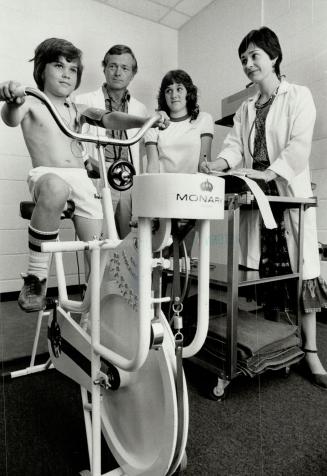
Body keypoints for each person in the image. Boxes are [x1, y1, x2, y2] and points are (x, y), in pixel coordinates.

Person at [0, 38, 169, 313]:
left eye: (73, 68)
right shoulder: (31, 101)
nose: (66, 73)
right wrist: (9, 95)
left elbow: (110, 118)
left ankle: (96, 314)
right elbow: (10, 117)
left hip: (81, 179)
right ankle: (36, 278)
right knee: (55, 188)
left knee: (100, 248)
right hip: (48, 175)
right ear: (42, 70)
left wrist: (144, 120)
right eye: (58, 65)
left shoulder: (78, 109)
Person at [201, 26, 327, 389]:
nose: (248, 63)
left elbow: (299, 147)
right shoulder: (244, 109)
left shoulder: (298, 96)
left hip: (289, 198)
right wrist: (219, 166)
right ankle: (272, 347)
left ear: (273, 56)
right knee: (261, 273)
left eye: (254, 55)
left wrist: (270, 174)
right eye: (243, 59)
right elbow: (233, 149)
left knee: (302, 274)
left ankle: (312, 351)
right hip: (256, 201)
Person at [75, 45, 148, 239]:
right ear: (104, 68)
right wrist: (92, 164)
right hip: (97, 179)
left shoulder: (140, 109)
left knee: (128, 246)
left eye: (125, 68)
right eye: (113, 66)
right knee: (96, 245)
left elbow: (142, 155)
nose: (118, 73)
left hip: (127, 181)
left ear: (133, 74)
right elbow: (73, 144)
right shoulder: (83, 100)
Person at [145, 69, 214, 174]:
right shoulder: (155, 123)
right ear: (164, 96)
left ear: (189, 92)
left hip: (194, 187)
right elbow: (152, 168)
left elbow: (204, 165)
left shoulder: (204, 119)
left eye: (179, 89)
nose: (174, 95)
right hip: (163, 187)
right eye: (169, 90)